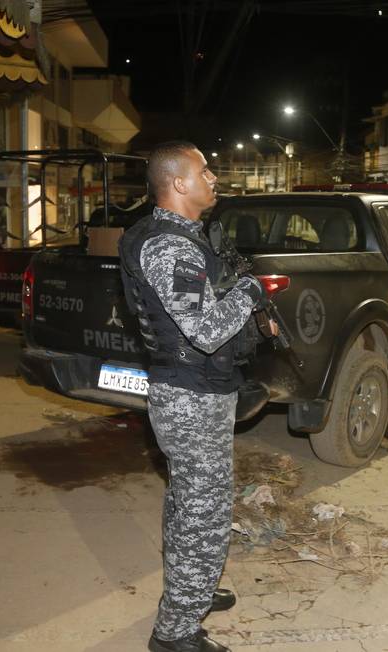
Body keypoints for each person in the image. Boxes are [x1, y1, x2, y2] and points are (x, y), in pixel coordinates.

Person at [119, 141, 268, 652]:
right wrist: (251, 292)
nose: (214, 177)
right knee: (203, 511)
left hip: (198, 392)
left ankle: (194, 588)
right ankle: (176, 633)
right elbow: (205, 330)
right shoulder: (168, 246)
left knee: (190, 501)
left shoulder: (184, 238)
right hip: (190, 399)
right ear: (179, 184)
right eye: (204, 170)